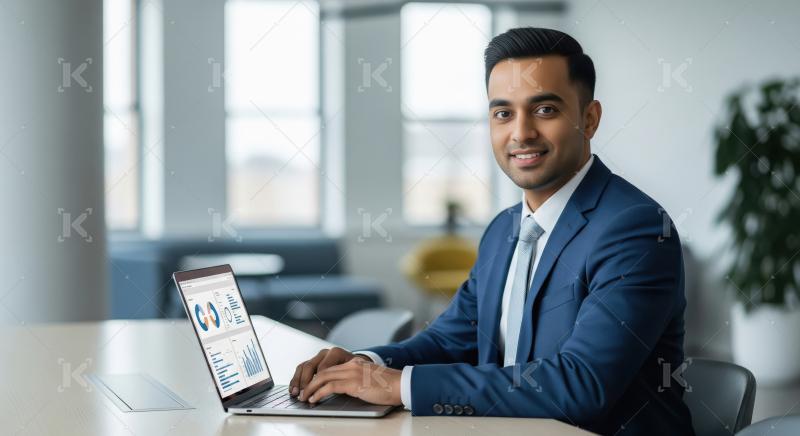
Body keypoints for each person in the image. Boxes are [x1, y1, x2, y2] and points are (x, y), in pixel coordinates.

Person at [288, 27, 694, 435]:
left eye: (545, 110)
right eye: (503, 113)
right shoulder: (503, 230)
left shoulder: (635, 229)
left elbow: (582, 383)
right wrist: (365, 365)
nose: (521, 133)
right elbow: (449, 342)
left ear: (589, 119)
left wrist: (402, 386)